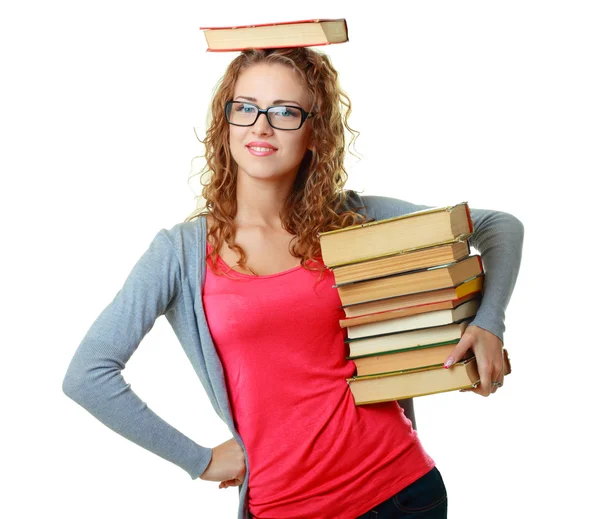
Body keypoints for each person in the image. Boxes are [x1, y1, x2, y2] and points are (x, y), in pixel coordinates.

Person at [62, 47, 524, 519]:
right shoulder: (179, 253)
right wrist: (197, 460)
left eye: (285, 112)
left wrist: (489, 324)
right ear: (225, 125)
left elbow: (498, 227)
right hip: (283, 506)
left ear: (315, 134)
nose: (261, 126)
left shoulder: (350, 219)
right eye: (245, 108)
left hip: (398, 491)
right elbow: (88, 375)